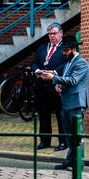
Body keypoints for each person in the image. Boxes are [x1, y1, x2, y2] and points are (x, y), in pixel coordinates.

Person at [41, 35, 89, 170]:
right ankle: (70, 161)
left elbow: (73, 80)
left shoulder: (81, 63)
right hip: (66, 102)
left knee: (77, 135)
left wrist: (54, 78)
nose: (63, 53)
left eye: (65, 50)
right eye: (63, 50)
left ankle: (78, 164)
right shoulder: (69, 62)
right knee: (69, 135)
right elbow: (66, 80)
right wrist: (59, 86)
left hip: (77, 103)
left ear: (74, 49)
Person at [30, 22, 67, 151]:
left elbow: (68, 64)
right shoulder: (42, 48)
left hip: (56, 86)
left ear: (61, 34)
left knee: (60, 115)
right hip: (41, 87)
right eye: (50, 34)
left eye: (54, 34)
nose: (52, 36)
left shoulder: (66, 48)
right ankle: (45, 141)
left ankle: (63, 142)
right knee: (43, 114)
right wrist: (38, 71)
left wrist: (54, 72)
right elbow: (33, 63)